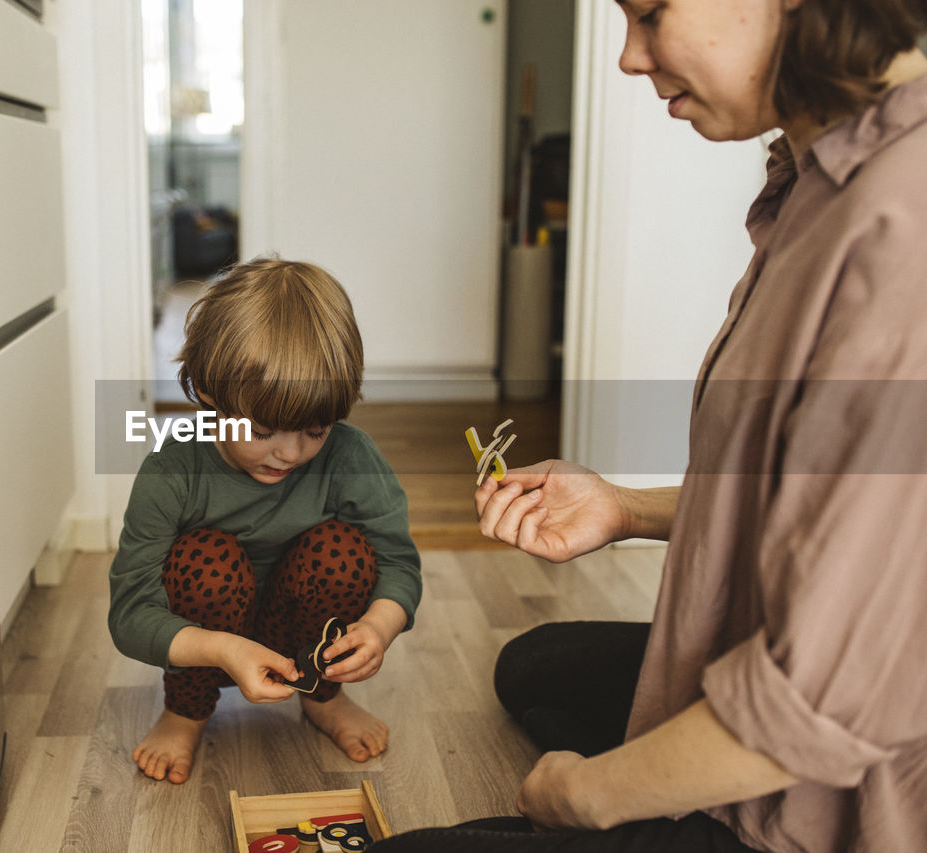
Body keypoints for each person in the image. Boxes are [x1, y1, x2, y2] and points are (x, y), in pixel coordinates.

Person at [371, 0, 927, 851]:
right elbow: (820, 502)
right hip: (803, 678)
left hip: (830, 796)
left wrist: (584, 793)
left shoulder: (900, 228)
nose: (629, 57)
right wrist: (622, 508)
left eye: (652, 14)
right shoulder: (818, 175)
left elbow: (816, 706)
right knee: (537, 667)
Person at [108, 257, 422, 784]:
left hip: (299, 630)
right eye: (264, 430)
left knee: (344, 550)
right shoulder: (171, 470)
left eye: (316, 431)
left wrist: (378, 626)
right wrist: (220, 649)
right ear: (210, 392)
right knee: (205, 558)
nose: (291, 452)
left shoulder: (351, 457)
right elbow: (130, 614)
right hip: (208, 633)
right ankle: (186, 711)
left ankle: (322, 698)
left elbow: (397, 563)